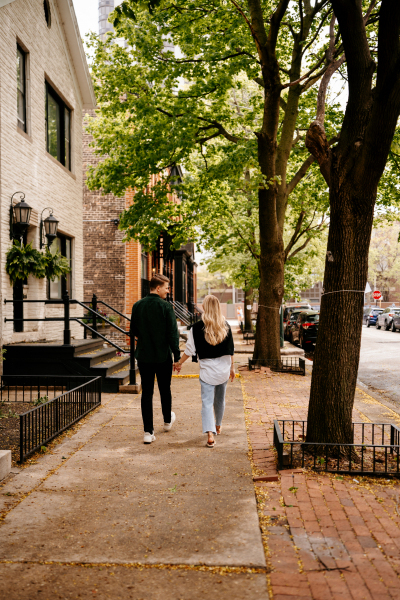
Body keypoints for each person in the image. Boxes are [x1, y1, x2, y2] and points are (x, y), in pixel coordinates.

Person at [175, 295, 235, 448]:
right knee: (220, 400)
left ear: (205, 308)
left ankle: (210, 434)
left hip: (207, 372)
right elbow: (230, 351)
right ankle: (218, 425)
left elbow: (190, 350)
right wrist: (232, 368)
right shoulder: (226, 326)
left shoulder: (196, 328)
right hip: (223, 371)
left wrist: (179, 363)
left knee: (207, 403)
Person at [130, 273, 181, 444]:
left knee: (147, 393)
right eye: (166, 288)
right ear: (158, 288)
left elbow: (134, 332)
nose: (168, 291)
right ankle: (167, 421)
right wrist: (177, 356)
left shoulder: (137, 306)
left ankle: (148, 432)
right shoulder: (166, 307)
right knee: (165, 389)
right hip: (162, 356)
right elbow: (173, 334)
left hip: (144, 356)